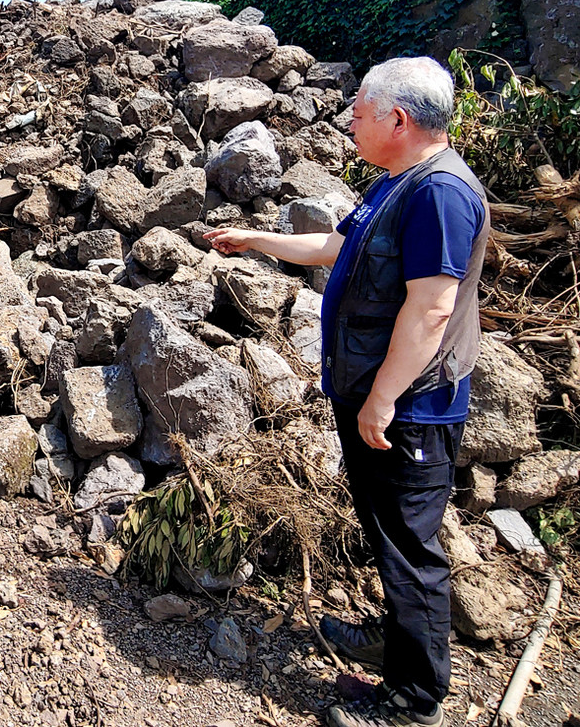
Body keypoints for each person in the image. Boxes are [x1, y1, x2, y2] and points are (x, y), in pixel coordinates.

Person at [204, 56, 489, 727]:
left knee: (410, 546)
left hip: (410, 408)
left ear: (398, 118)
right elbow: (336, 248)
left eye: (359, 113)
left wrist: (384, 398)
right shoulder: (395, 181)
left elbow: (432, 309)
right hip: (374, 393)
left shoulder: (440, 193)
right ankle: (393, 641)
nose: (349, 122)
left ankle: (413, 702)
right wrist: (255, 239)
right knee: (387, 529)